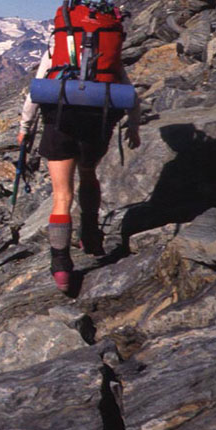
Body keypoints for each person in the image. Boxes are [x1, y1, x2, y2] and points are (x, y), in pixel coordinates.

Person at [17, 23, 141, 293]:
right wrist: (133, 125)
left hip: (60, 123)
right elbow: (130, 93)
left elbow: (34, 94)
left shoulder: (58, 49)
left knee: (62, 196)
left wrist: (25, 128)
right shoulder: (107, 51)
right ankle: (91, 235)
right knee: (87, 174)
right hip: (97, 125)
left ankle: (61, 265)